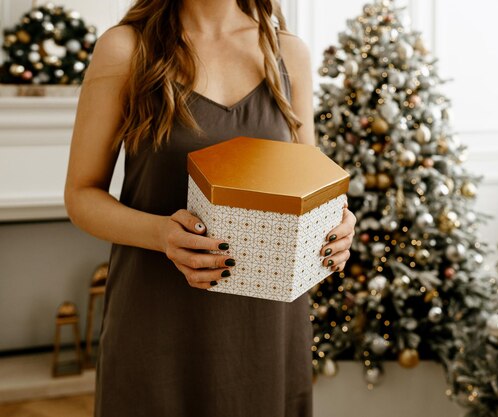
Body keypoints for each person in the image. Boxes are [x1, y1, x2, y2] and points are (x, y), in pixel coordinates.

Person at [64, 0, 356, 415]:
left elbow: (306, 186)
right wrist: (163, 235)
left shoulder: (289, 53)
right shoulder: (126, 49)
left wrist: (339, 223)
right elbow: (81, 195)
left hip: (265, 329)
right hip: (157, 321)